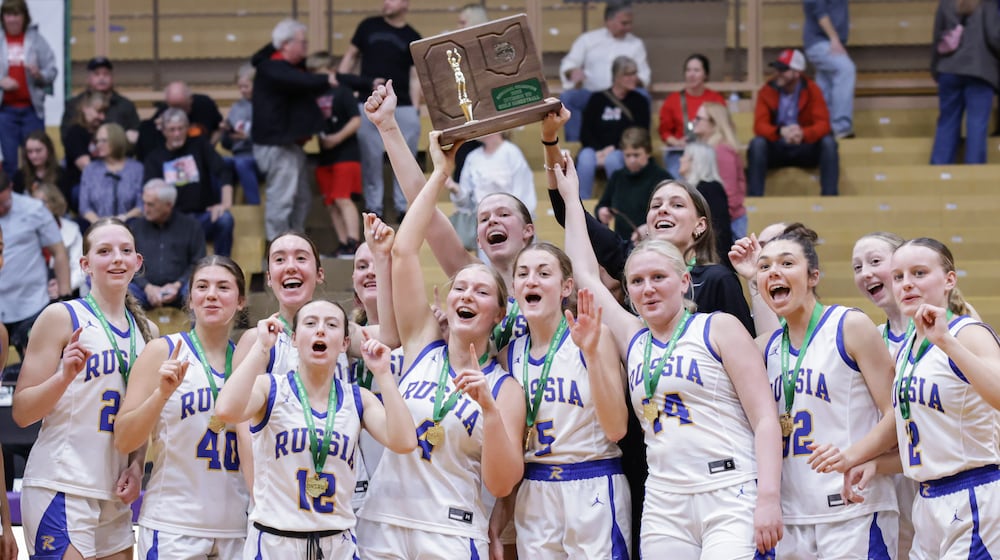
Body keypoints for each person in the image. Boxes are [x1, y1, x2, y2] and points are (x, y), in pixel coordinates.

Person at [556, 155, 783, 557]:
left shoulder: (719, 327)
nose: (647, 289)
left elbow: (765, 417)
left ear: (682, 282)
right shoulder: (634, 337)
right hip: (664, 498)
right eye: (637, 282)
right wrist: (572, 199)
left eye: (658, 278)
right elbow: (587, 274)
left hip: (729, 489)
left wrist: (769, 496)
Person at [356, 132, 525, 557]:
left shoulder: (504, 389)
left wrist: (488, 410)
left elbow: (503, 484)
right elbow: (405, 251)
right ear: (445, 305)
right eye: (460, 288)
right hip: (382, 523)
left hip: (451, 530)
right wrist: (441, 174)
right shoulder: (421, 345)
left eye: (481, 292)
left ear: (499, 314)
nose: (467, 295)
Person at [817, 238, 1000, 559]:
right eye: (899, 276)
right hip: (927, 500)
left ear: (949, 280)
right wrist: (874, 463)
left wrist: (946, 341)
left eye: (919, 273)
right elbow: (926, 446)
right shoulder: (906, 352)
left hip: (975, 495)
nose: (906, 284)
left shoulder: (968, 333)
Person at [216, 300, 415, 559]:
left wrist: (384, 374)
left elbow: (405, 441)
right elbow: (226, 410)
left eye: (331, 325)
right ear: (295, 339)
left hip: (337, 542)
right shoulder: (270, 388)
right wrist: (261, 348)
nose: (320, 330)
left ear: (344, 344)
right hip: (276, 541)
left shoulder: (359, 398)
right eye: (310, 323)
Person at [751, 223, 899, 557]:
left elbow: (898, 415)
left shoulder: (850, 326)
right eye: (764, 267)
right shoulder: (764, 348)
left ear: (813, 276)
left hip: (853, 509)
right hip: (789, 517)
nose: (774, 271)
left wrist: (854, 455)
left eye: (787, 263)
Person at [12, 218, 156, 560]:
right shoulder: (62, 316)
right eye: (104, 251)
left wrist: (137, 466)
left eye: (125, 250)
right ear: (86, 265)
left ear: (138, 263)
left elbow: (141, 417)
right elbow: (22, 412)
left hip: (114, 492)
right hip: (62, 485)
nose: (117, 258)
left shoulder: (148, 331)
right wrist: (63, 376)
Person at [544, 108, 754, 335]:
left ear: (700, 225)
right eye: (656, 206)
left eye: (677, 205)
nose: (663, 210)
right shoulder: (633, 262)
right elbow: (567, 210)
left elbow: (748, 350)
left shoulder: (718, 279)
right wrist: (549, 139)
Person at [499, 243, 631, 559]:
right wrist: (498, 518)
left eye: (544, 273)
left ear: (566, 286)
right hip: (535, 487)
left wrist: (593, 356)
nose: (531, 280)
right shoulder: (508, 357)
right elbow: (511, 450)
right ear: (515, 288)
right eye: (523, 274)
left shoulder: (595, 338)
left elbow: (616, 428)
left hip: (593, 480)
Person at [115, 256, 250, 559]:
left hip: (238, 528)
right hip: (174, 525)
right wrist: (160, 395)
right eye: (202, 286)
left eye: (223, 287)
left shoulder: (250, 361)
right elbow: (124, 439)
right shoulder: (162, 351)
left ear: (240, 301)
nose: (211, 294)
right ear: (190, 299)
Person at [849, 231, 916, 559]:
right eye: (858, 267)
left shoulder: (950, 328)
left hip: (949, 475)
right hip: (894, 478)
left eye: (875, 262)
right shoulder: (870, 340)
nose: (866, 273)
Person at [251, 18, 337, 241]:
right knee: (282, 199)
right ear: (286, 44)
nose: (306, 46)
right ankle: (277, 248)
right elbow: (303, 81)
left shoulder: (286, 66)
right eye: (302, 42)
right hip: (276, 146)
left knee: (302, 199)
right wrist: (328, 78)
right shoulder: (272, 68)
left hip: (291, 145)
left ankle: (295, 243)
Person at [337, 0, 422, 222]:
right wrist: (341, 88)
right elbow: (350, 58)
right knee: (371, 160)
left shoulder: (412, 35)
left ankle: (404, 209)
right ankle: (375, 209)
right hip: (369, 103)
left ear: (406, 4)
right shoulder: (368, 26)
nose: (385, 3)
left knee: (404, 158)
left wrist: (415, 106)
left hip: (402, 105)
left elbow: (415, 76)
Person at [747, 49, 839, 197]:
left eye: (783, 69)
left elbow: (823, 124)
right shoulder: (767, 90)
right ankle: (755, 197)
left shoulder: (812, 89)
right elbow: (759, 126)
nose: (778, 73)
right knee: (757, 144)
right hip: (778, 145)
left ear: (797, 73)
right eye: (777, 68)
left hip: (804, 145)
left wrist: (803, 133)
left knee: (828, 143)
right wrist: (780, 132)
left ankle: (830, 196)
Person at [143, 108, 234, 257]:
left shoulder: (200, 145)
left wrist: (225, 203)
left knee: (225, 219)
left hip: (203, 216)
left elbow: (223, 170)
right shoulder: (154, 158)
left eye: (180, 128)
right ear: (164, 131)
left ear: (187, 128)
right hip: (172, 221)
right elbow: (149, 191)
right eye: (172, 130)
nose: (177, 134)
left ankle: (223, 266)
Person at [0, 171, 71, 357]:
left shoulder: (34, 209)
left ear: (11, 188)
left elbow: (59, 251)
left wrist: (65, 297)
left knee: (37, 369)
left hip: (31, 304)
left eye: (4, 203)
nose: (0, 209)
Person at [559, 1, 650, 143]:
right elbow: (568, 64)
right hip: (593, 94)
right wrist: (573, 72)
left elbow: (644, 76)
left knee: (644, 96)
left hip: (624, 95)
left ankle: (640, 144)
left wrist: (628, 79)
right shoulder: (587, 40)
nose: (629, 28)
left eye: (630, 23)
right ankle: (576, 144)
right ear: (608, 21)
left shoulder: (635, 44)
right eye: (624, 23)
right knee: (568, 98)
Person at [929, 0, 1000, 164]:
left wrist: (935, 68)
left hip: (948, 68)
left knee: (947, 123)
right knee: (977, 125)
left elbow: (937, 36)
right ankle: (974, 174)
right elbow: (994, 36)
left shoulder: (946, 3)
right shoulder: (987, 3)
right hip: (980, 70)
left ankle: (940, 171)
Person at [308, 51, 363, 259]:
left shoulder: (343, 92)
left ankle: (353, 242)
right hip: (325, 156)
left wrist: (337, 138)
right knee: (330, 201)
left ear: (330, 70)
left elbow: (356, 120)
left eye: (318, 71)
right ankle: (342, 243)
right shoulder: (313, 97)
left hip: (346, 153)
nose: (314, 76)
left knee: (342, 198)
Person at [448, 131, 536, 254]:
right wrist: (455, 189)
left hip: (512, 225)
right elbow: (466, 204)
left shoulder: (511, 153)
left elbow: (524, 196)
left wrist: (515, 221)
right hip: (487, 227)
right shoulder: (473, 157)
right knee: (490, 269)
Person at [577, 55, 650, 200]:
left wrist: (615, 148)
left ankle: (618, 202)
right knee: (585, 157)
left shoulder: (639, 101)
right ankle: (580, 204)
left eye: (634, 73)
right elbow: (585, 131)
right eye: (628, 74)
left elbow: (641, 132)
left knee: (613, 159)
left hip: (623, 149)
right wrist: (600, 150)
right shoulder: (597, 99)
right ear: (616, 76)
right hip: (596, 150)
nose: (633, 77)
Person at [129, 180, 206, 310]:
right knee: (124, 292)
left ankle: (197, 332)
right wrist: (147, 287)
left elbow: (198, 263)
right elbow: (130, 262)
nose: (145, 209)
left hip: (181, 288)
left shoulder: (191, 227)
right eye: (144, 203)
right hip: (143, 289)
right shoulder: (135, 228)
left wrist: (177, 284)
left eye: (151, 204)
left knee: (197, 292)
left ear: (168, 205)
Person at [0, 0, 56, 179]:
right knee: (9, 161)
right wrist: (1, 81)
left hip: (32, 110)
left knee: (36, 160)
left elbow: (52, 70)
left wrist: (39, 74)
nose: (12, 19)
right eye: (8, 15)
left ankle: (36, 197)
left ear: (24, 17)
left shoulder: (36, 39)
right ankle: (10, 202)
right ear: (2, 18)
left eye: (17, 15)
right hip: (5, 112)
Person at [595, 127, 672, 242]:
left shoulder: (662, 178)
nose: (632, 160)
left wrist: (648, 229)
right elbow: (603, 204)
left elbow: (669, 215)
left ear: (648, 152)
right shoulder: (618, 176)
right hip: (623, 244)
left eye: (636, 155)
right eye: (627, 155)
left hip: (654, 244)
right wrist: (601, 212)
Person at [658, 54, 726, 177]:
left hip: (710, 149)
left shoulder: (716, 99)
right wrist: (676, 142)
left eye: (696, 70)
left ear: (706, 75)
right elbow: (664, 132)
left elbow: (723, 126)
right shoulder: (673, 100)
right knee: (677, 176)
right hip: (681, 152)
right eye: (688, 70)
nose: (691, 74)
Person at [694, 102, 748, 240]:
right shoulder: (710, 148)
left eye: (699, 119)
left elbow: (729, 192)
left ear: (714, 123)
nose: (694, 122)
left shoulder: (721, 151)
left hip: (727, 223)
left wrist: (720, 223)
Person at [803, 0, 856, 139]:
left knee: (825, 82)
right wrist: (834, 38)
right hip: (819, 41)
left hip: (826, 41)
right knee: (846, 69)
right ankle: (841, 126)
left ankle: (823, 127)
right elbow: (820, 12)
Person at [61, 56, 141, 146]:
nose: (102, 78)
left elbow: (135, 136)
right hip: (84, 154)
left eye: (106, 74)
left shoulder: (126, 105)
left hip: (119, 156)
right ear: (88, 78)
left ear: (112, 78)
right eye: (97, 74)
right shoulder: (75, 104)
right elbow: (66, 137)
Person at [678, 141, 734, 270]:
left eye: (684, 156)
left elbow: (718, 228)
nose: (680, 159)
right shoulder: (693, 189)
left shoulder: (711, 188)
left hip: (710, 261)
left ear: (695, 161)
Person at [80, 123, 144, 225]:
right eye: (97, 141)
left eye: (104, 141)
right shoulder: (91, 169)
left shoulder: (136, 169)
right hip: (97, 228)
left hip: (130, 225)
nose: (98, 145)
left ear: (117, 141)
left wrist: (124, 218)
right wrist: (100, 224)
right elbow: (84, 207)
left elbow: (142, 205)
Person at [32, 183, 85, 297]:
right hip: (34, 294)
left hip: (68, 290)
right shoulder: (26, 232)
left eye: (43, 202)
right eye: (34, 202)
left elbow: (80, 269)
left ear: (54, 204)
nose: (37, 207)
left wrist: (62, 287)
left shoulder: (72, 229)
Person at [220, 63, 260, 205]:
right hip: (239, 153)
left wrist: (248, 137)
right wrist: (225, 133)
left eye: (246, 86)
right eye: (240, 87)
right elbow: (227, 145)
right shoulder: (236, 107)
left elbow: (272, 136)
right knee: (218, 162)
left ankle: (254, 205)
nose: (242, 91)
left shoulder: (267, 105)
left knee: (242, 163)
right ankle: (222, 205)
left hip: (260, 155)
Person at [62, 89, 108, 191]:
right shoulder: (75, 133)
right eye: (99, 112)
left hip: (104, 181)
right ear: (85, 109)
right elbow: (86, 167)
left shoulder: (104, 131)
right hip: (80, 184)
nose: (102, 117)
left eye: (104, 113)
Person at [12, 130, 70, 203]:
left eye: (38, 150)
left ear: (48, 150)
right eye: (30, 151)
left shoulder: (61, 174)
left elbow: (64, 204)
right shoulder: (20, 176)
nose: (34, 156)